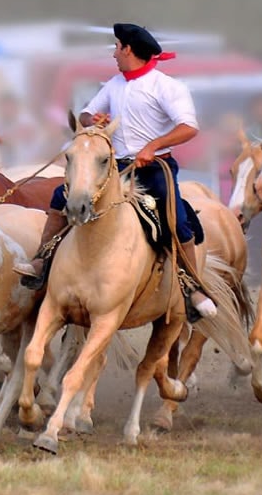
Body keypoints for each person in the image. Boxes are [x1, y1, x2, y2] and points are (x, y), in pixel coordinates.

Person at [13, 23, 214, 320]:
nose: (114, 54)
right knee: (61, 195)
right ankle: (43, 261)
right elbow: (83, 113)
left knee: (176, 218)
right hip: (113, 166)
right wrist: (92, 118)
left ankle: (192, 287)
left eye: (117, 47)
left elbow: (189, 127)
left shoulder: (167, 87)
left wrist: (153, 145)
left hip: (153, 166)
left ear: (128, 49)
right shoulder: (114, 85)